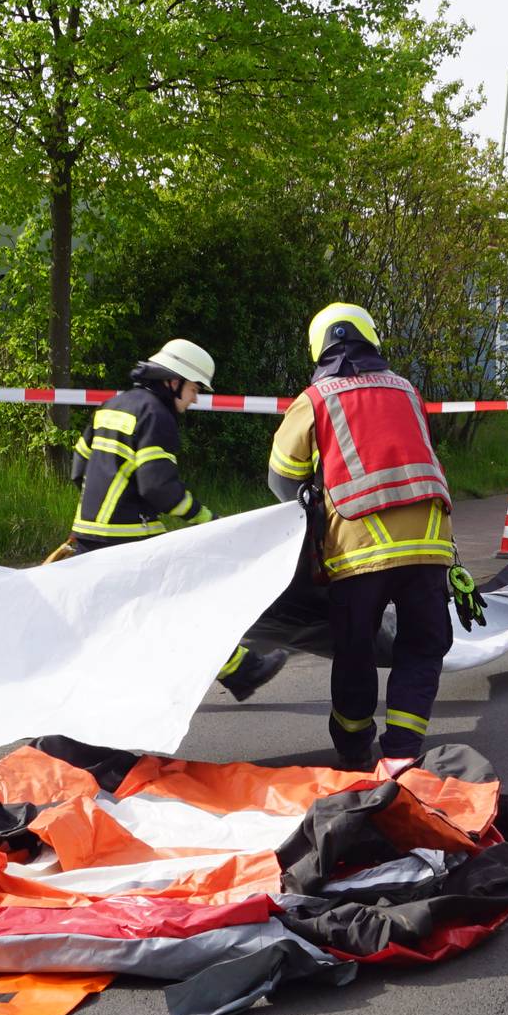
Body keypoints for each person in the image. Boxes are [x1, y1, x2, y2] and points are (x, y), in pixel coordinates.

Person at [268, 303, 457, 772]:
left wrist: (311, 505)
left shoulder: (315, 398)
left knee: (354, 650)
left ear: (319, 348)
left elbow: (281, 479)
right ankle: (400, 755)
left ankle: (354, 751)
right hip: (430, 541)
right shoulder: (407, 390)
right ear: (371, 339)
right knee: (422, 646)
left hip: (358, 551)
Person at [55, 339, 290, 697]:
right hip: (130, 536)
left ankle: (238, 670)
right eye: (194, 388)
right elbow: (159, 488)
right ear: (173, 381)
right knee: (184, 604)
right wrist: (207, 518)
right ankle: (241, 671)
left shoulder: (113, 406)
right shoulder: (156, 416)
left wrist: (94, 514)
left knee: (124, 620)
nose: (194, 399)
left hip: (88, 535)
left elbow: (78, 467)